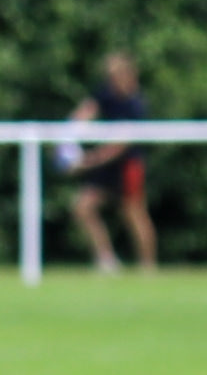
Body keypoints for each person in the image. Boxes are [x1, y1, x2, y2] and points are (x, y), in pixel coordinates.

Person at [59, 51, 159, 274]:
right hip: (107, 165)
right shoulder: (106, 94)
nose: (112, 81)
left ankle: (148, 268)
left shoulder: (136, 105)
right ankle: (106, 260)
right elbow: (84, 112)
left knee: (133, 213)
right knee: (83, 207)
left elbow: (118, 146)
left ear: (128, 75)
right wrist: (67, 138)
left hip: (128, 164)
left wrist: (86, 161)